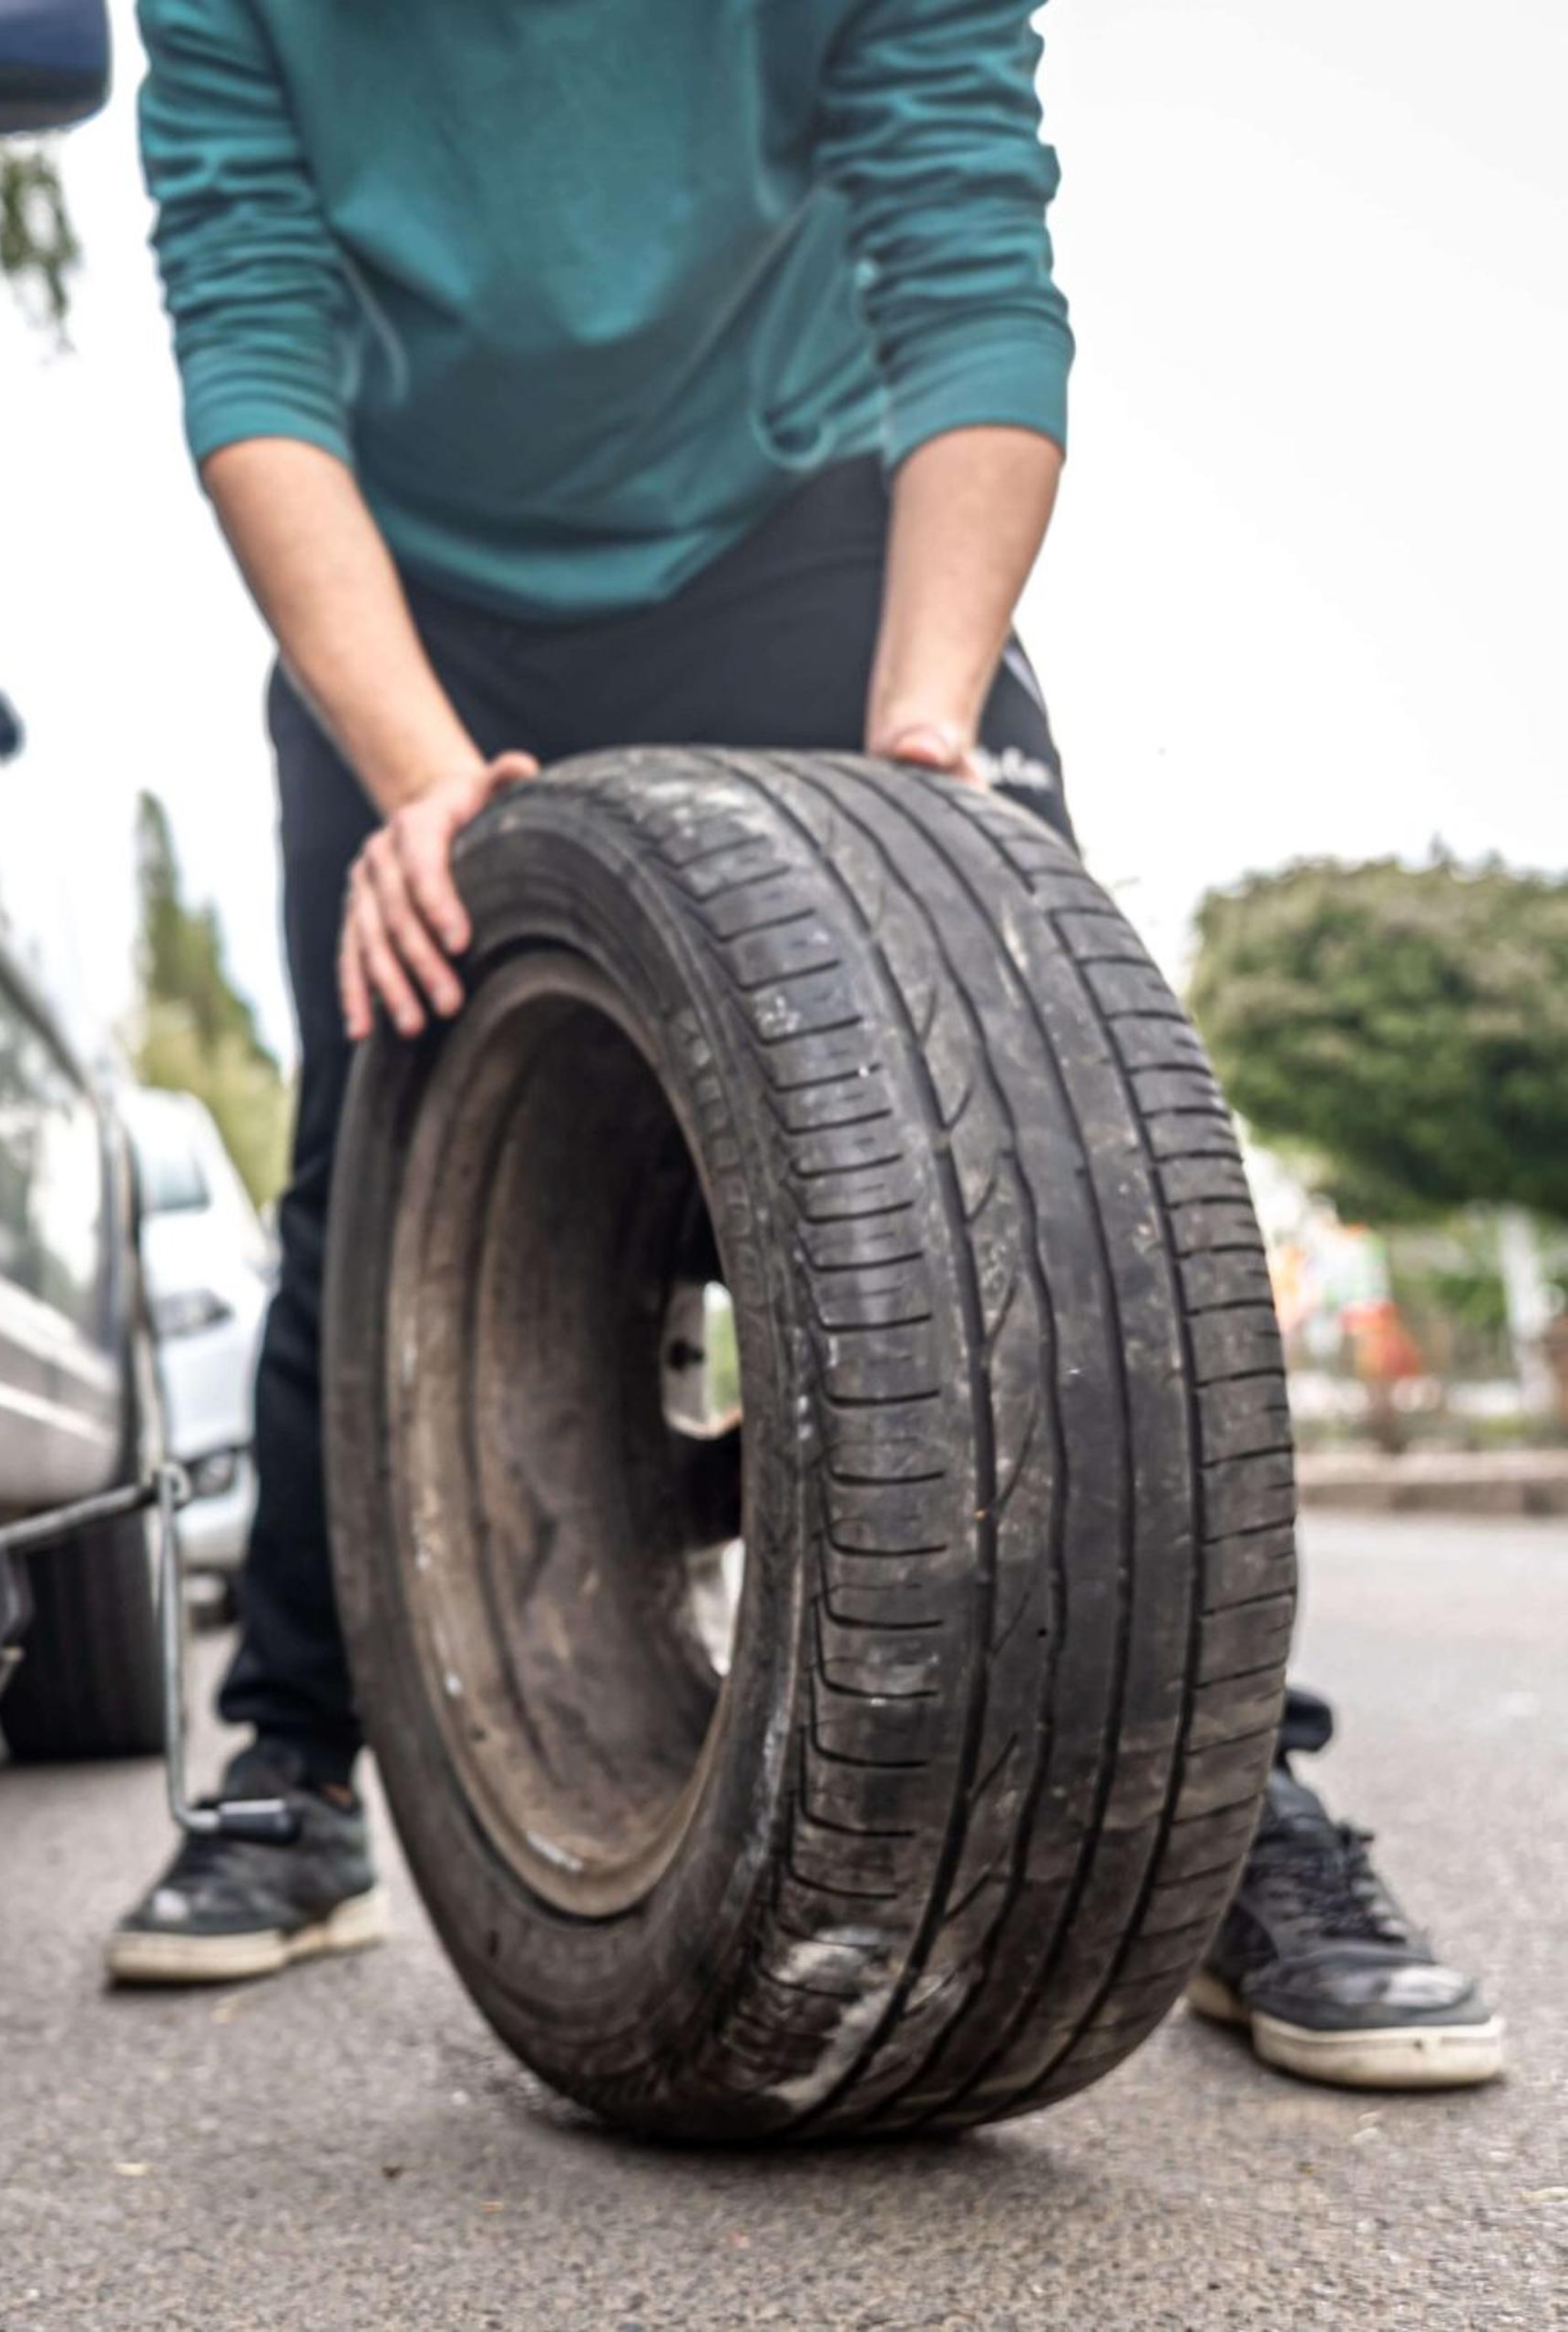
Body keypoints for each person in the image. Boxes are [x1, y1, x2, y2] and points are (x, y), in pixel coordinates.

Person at [105, 0, 1501, 2093]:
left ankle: (1222, 1810)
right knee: (369, 1151)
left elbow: (968, 266)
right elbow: (252, 334)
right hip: (419, 581)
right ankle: (291, 1773)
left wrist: (931, 726)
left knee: (1059, 1137)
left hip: (806, 530)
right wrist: (417, 777)